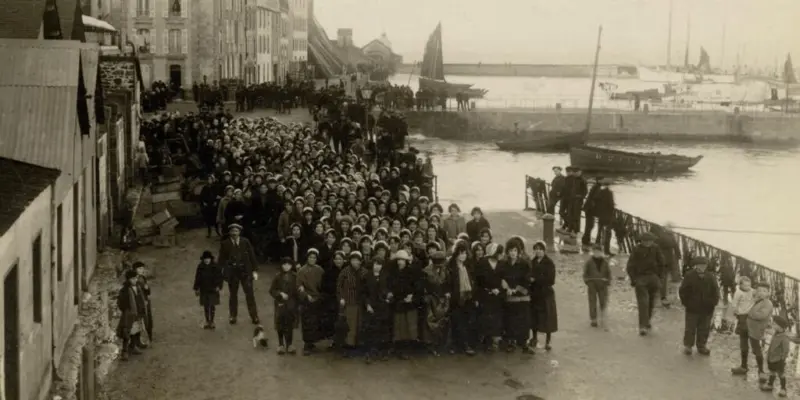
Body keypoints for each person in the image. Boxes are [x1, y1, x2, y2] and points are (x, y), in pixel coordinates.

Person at [217, 223, 260, 325]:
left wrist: (254, 270)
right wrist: (220, 271)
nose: (234, 233)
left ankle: (254, 316)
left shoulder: (245, 242)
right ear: (230, 233)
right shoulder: (225, 244)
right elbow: (221, 259)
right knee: (233, 295)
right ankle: (233, 316)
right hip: (233, 274)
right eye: (232, 231)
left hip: (246, 272)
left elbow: (252, 256)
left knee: (250, 295)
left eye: (236, 231)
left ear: (239, 232)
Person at [626, 232, 665, 336]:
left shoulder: (656, 249)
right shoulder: (636, 250)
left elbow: (662, 263)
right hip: (641, 278)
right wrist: (634, 279)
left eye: (650, 241)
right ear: (641, 241)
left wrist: (659, 277)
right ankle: (642, 326)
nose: (648, 243)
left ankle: (647, 321)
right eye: (645, 241)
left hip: (653, 278)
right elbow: (630, 266)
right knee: (643, 302)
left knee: (651, 302)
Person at [678, 256, 719, 355]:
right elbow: (683, 291)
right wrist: (687, 303)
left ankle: (701, 345)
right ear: (695, 266)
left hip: (707, 308)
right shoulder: (689, 276)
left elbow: (716, 291)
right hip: (692, 308)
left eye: (704, 265)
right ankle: (688, 346)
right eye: (700, 265)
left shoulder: (711, 277)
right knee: (690, 328)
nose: (702, 267)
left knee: (704, 328)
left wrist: (713, 303)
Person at [501, 241, 533, 354]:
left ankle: (524, 343)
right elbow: (501, 277)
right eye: (510, 251)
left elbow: (527, 279)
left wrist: (517, 289)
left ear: (518, 252)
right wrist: (506, 287)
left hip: (522, 296)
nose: (513, 253)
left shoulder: (524, 264)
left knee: (524, 320)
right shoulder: (504, 264)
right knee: (511, 320)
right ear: (507, 252)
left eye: (515, 251)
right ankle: (511, 342)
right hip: (510, 297)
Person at [389, 250, 421, 359]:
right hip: (398, 303)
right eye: (398, 260)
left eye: (402, 260)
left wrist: (412, 296)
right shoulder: (394, 273)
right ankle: (400, 349)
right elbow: (392, 287)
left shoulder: (411, 272)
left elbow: (417, 287)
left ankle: (409, 349)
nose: (400, 262)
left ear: (406, 261)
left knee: (410, 327)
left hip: (409, 303)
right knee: (400, 327)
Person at [474, 242, 505, 351]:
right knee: (484, 317)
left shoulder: (501, 264)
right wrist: (477, 297)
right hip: (484, 295)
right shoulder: (482, 263)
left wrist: (499, 289)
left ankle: (494, 341)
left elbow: (504, 280)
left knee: (496, 318)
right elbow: (477, 282)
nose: (502, 255)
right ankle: (484, 340)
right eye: (500, 253)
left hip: (497, 296)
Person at [740, 282, 774, 383]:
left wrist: (748, 311)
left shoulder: (768, 303)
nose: (761, 293)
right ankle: (743, 366)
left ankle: (761, 371)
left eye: (764, 291)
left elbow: (761, 316)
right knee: (743, 346)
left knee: (756, 349)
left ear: (768, 293)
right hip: (745, 326)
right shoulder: (754, 299)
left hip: (756, 329)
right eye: (759, 290)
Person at [448, 242, 477, 356]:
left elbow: (473, 281)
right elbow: (448, 282)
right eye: (460, 253)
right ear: (456, 254)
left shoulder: (467, 266)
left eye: (464, 253)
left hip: (467, 296)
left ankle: (466, 345)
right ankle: (455, 345)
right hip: (455, 297)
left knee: (466, 321)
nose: (463, 256)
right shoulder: (452, 266)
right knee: (456, 321)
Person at [362, 257, 393, 363]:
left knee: (383, 329)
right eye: (375, 264)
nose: (377, 266)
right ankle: (371, 352)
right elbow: (364, 293)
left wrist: (389, 297)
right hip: (372, 306)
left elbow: (390, 290)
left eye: (379, 264)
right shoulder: (367, 276)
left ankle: (383, 351)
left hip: (383, 306)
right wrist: (367, 305)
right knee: (371, 329)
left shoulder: (386, 276)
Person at [422, 251, 452, 356]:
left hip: (442, 299)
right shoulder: (426, 271)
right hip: (431, 299)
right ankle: (430, 345)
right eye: (437, 264)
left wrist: (447, 292)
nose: (440, 266)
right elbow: (423, 287)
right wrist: (427, 297)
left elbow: (448, 283)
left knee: (442, 321)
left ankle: (440, 344)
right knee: (430, 321)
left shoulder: (445, 271)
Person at [296, 248, 326, 355]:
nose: (312, 259)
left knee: (316, 321)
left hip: (317, 298)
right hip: (307, 299)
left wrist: (319, 296)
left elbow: (323, 285)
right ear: (307, 258)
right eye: (310, 257)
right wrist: (306, 296)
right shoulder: (301, 271)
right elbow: (299, 286)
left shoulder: (320, 270)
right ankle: (307, 344)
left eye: (314, 258)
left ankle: (313, 341)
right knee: (307, 322)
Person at [530, 240, 557, 351]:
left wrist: (536, 279)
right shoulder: (533, 262)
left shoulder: (549, 263)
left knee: (547, 318)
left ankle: (548, 340)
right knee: (534, 316)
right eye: (536, 249)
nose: (538, 251)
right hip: (535, 294)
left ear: (544, 251)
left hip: (546, 294)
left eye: (540, 249)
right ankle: (534, 337)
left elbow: (551, 280)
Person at [337, 251, 366, 357]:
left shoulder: (364, 272)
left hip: (360, 301)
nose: (355, 262)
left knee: (360, 323)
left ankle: (359, 344)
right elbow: (339, 286)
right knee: (350, 324)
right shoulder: (345, 272)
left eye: (357, 260)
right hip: (349, 300)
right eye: (353, 260)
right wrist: (341, 298)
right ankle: (349, 345)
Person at [116, 269, 147, 361]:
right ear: (128, 279)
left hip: (138, 313)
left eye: (136, 278)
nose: (135, 280)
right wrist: (127, 310)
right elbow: (121, 303)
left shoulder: (138, 287)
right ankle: (124, 351)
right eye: (133, 278)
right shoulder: (125, 290)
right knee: (127, 332)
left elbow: (141, 298)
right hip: (129, 314)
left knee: (136, 330)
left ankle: (134, 346)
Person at [270, 257, 298, 355]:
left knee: (289, 324)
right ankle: (281, 344)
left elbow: (297, 290)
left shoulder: (295, 276)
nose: (286, 267)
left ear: (291, 266)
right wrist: (280, 294)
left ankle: (289, 344)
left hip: (291, 304)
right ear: (281, 265)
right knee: (280, 324)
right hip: (280, 304)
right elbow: (272, 290)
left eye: (289, 265)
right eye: (284, 264)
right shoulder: (277, 277)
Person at [729, 276, 755, 375]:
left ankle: (744, 365)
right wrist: (736, 312)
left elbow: (759, 294)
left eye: (749, 285)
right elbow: (734, 304)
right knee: (743, 337)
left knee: (748, 339)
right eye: (746, 285)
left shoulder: (752, 291)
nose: (748, 287)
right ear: (740, 285)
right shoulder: (738, 293)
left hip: (750, 315)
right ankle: (744, 365)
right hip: (742, 315)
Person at [193, 251, 224, 329]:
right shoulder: (200, 267)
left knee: (212, 305)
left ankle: (212, 321)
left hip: (213, 289)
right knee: (206, 306)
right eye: (205, 259)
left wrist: (219, 286)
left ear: (211, 259)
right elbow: (197, 278)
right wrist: (196, 288)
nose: (206, 260)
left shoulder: (215, 266)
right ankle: (207, 321)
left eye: (208, 259)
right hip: (204, 289)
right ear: (203, 259)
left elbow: (220, 277)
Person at [583, 244, 611, 328]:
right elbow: (585, 273)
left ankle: (602, 315)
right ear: (592, 252)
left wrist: (607, 281)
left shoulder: (605, 262)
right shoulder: (589, 262)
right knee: (592, 301)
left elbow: (608, 273)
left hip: (603, 284)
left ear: (601, 252)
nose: (596, 253)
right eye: (595, 251)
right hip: (592, 284)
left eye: (598, 251)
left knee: (603, 301)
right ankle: (593, 319)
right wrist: (588, 281)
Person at [762, 315, 790, 396]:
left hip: (779, 360)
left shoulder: (784, 337)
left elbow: (786, 350)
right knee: (772, 372)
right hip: (772, 358)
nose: (773, 325)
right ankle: (770, 385)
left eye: (775, 324)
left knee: (781, 374)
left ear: (780, 326)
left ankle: (783, 389)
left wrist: (783, 359)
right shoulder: (775, 334)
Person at [133, 261, 153, 345]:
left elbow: (148, 292)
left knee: (148, 320)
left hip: (145, 301)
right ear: (135, 269)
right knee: (141, 321)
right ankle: (140, 341)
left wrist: (147, 288)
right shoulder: (134, 280)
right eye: (139, 268)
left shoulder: (142, 278)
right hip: (139, 303)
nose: (141, 270)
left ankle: (148, 337)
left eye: (142, 268)